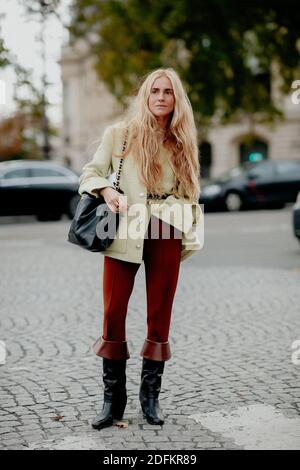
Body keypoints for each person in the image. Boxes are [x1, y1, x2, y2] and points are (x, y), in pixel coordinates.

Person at [78, 67, 203, 430]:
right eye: (155, 91)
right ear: (145, 96)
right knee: (114, 310)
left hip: (167, 227)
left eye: (168, 92)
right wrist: (107, 191)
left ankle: (150, 397)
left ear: (176, 99)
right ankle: (113, 401)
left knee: (160, 312)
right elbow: (90, 173)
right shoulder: (120, 135)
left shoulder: (182, 140)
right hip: (123, 225)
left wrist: (184, 220)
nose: (161, 97)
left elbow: (191, 189)